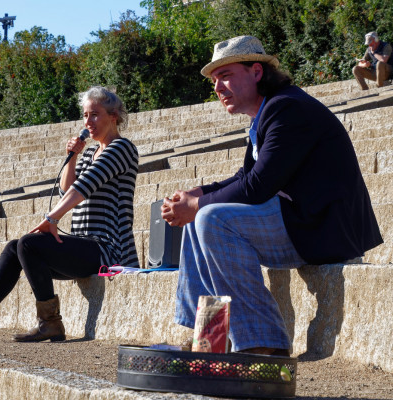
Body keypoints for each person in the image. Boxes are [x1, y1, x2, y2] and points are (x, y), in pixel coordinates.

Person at [161, 36, 383, 356]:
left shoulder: (287, 108)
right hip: (302, 220)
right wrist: (199, 193)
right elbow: (246, 176)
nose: (218, 87)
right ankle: (211, 338)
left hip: (324, 229)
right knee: (200, 219)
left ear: (256, 72)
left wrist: (197, 205)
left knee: (209, 217)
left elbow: (257, 187)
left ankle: (263, 342)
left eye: (226, 76)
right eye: (214, 80)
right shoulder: (267, 112)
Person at [0, 86, 139, 342]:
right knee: (14, 247)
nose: (88, 122)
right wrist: (72, 157)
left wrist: (51, 219)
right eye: (85, 115)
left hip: (108, 250)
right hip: (83, 246)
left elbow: (85, 187)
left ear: (113, 116)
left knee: (28, 244)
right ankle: (48, 323)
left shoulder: (121, 148)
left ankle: (50, 323)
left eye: (95, 114)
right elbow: (66, 191)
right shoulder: (91, 153)